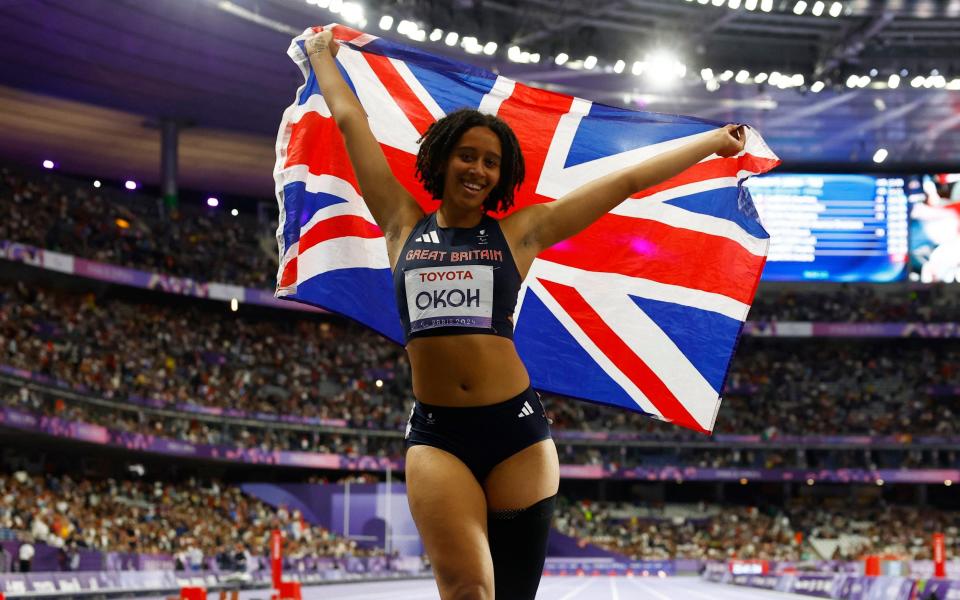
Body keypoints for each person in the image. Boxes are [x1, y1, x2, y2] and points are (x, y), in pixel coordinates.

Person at [303, 28, 745, 600]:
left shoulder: (521, 232)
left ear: (502, 174)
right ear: (441, 159)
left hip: (517, 435)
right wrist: (319, 55)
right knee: (466, 591)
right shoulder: (401, 224)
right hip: (438, 436)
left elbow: (628, 180)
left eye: (490, 162)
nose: (477, 169)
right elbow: (349, 122)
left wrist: (711, 142)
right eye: (467, 155)